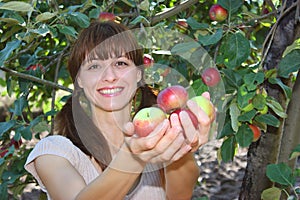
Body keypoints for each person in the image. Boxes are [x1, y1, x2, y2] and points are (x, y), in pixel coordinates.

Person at [24, 20, 214, 200]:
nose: (110, 76)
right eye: (95, 66)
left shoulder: (158, 145)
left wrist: (180, 142)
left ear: (138, 74)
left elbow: (180, 195)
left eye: (120, 63)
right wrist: (133, 157)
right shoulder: (54, 152)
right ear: (79, 80)